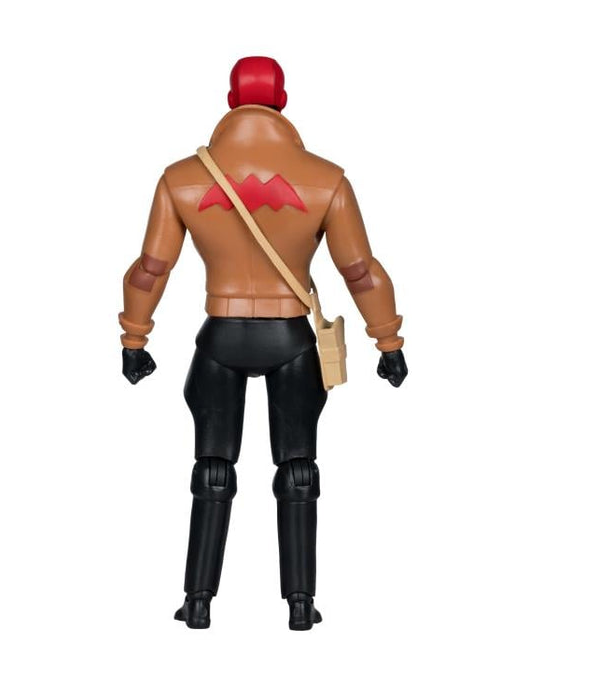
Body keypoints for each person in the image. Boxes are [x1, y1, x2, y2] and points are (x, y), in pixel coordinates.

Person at [119, 56, 408, 630]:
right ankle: (300, 606)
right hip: (290, 337)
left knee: (212, 468)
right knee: (299, 469)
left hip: (221, 334)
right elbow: (360, 272)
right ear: (283, 101)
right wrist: (387, 340)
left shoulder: (181, 178)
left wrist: (135, 336)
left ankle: (197, 602)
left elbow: (152, 268)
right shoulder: (326, 179)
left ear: (232, 100)